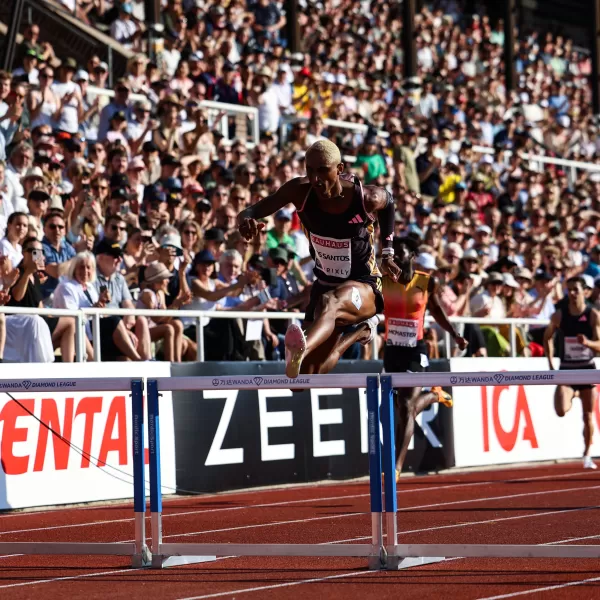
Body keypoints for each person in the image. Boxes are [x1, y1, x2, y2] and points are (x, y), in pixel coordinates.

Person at [238, 139, 400, 378]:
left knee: (329, 303)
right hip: (325, 284)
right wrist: (245, 221)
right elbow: (252, 210)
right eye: (309, 170)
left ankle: (301, 349)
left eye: (323, 170)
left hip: (363, 286)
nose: (315, 179)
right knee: (301, 379)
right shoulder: (299, 191)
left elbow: (389, 203)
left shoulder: (365, 198)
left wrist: (388, 252)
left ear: (339, 169)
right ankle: (357, 334)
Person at [382, 235, 467, 481]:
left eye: (401, 252)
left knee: (407, 406)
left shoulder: (426, 282)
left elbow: (438, 312)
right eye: (393, 252)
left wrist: (455, 334)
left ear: (413, 256)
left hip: (415, 350)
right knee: (401, 408)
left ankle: (396, 467)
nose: (396, 256)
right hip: (392, 350)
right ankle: (435, 395)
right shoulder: (385, 282)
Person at [543, 276, 600, 470]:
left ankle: (586, 454)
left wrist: (588, 343)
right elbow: (547, 337)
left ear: (585, 291)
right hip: (567, 370)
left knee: (588, 415)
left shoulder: (593, 315)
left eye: (575, 289)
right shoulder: (560, 315)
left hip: (587, 369)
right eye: (569, 290)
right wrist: (550, 363)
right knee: (560, 410)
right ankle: (574, 393)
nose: (572, 294)